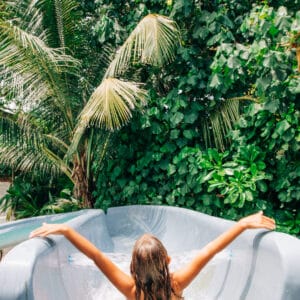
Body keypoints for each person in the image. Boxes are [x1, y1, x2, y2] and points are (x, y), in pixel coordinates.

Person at [29, 211, 275, 300]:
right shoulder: (176, 285)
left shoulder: (130, 290)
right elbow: (211, 249)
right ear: (168, 260)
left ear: (132, 268)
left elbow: (95, 255)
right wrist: (242, 225)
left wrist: (66, 229)